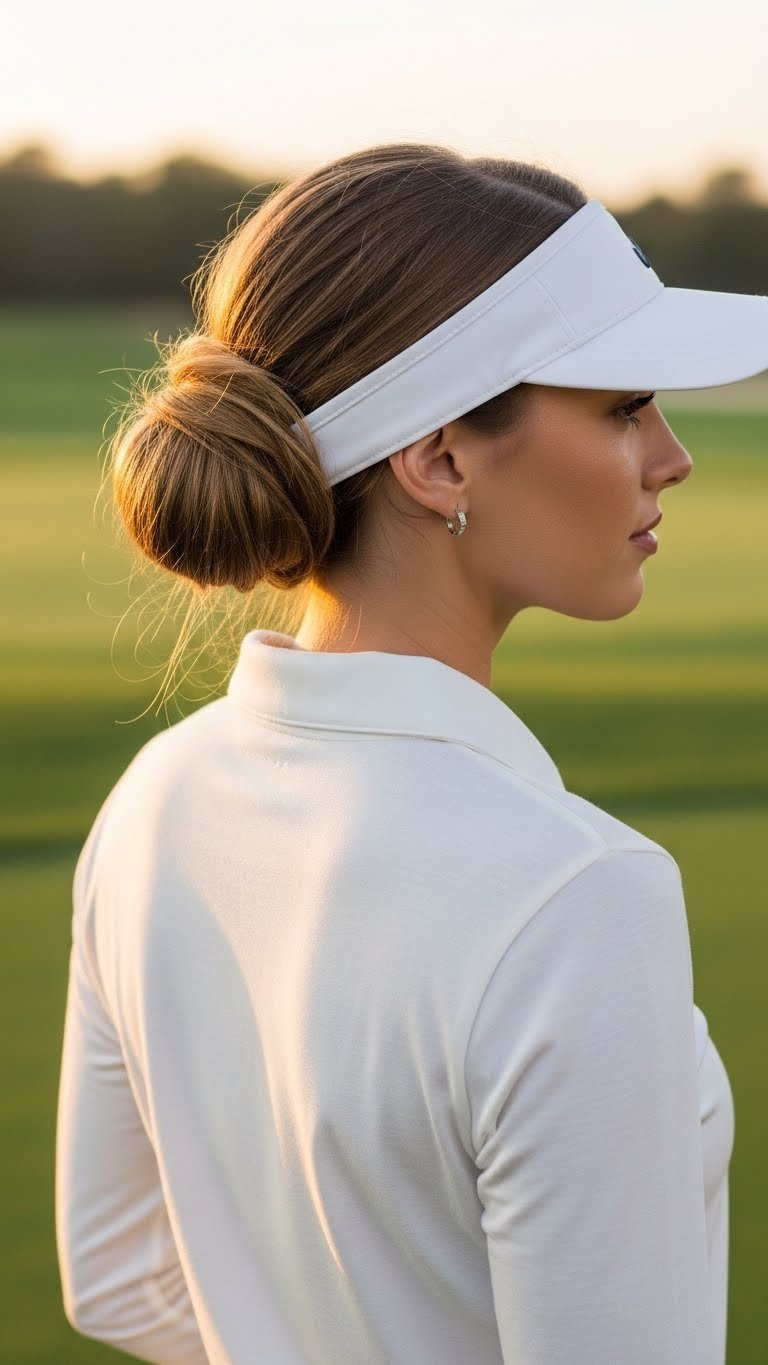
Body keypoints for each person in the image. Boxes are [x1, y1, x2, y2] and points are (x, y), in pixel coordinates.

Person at [55, 141, 763, 1364]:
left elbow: (117, 1279)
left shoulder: (154, 798)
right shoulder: (579, 896)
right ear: (439, 460)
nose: (671, 455)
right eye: (621, 408)